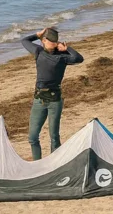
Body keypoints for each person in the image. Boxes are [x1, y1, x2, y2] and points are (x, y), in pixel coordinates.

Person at [20, 27, 83, 160]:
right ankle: (38, 163)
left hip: (55, 101)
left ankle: (55, 162)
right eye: (51, 41)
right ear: (44, 41)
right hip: (39, 100)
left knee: (54, 137)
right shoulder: (38, 51)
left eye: (55, 41)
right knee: (32, 137)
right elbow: (24, 40)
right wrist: (37, 34)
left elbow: (79, 58)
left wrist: (67, 49)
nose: (53, 43)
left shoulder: (62, 57)